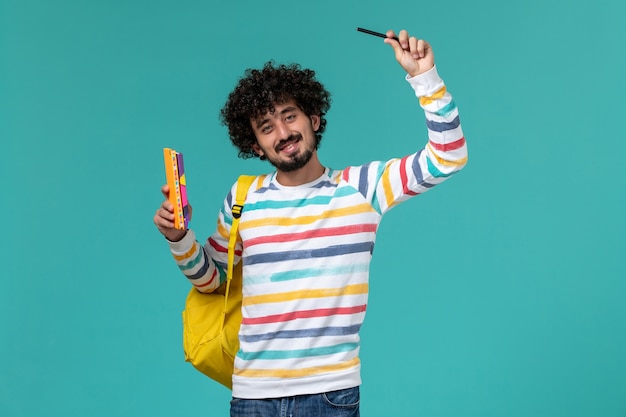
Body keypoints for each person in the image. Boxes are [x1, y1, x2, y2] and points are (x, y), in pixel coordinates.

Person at [154, 28, 467, 416]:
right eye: (267, 127)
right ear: (255, 145)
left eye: (290, 117)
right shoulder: (243, 198)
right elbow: (213, 281)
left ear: (314, 119)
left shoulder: (362, 188)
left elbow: (448, 157)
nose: (283, 133)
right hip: (253, 395)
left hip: (330, 395)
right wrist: (179, 238)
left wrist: (425, 78)